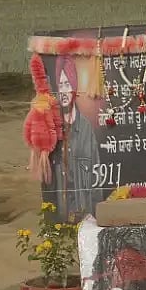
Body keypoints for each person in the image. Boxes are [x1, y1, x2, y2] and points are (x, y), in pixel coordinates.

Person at [44, 56, 101, 220]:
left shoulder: (85, 129)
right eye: (60, 85)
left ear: (75, 88)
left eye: (67, 84)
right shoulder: (52, 126)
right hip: (61, 215)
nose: (63, 91)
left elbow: (96, 179)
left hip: (84, 214)